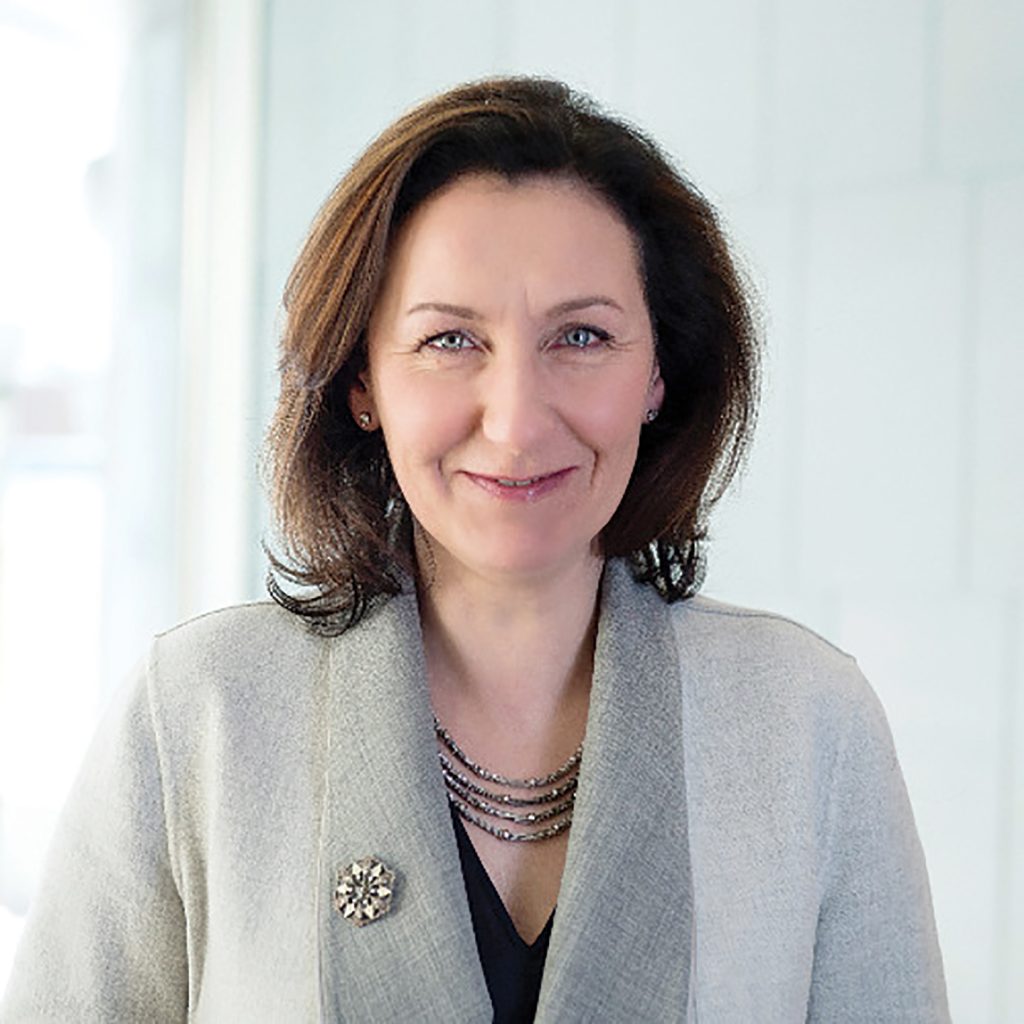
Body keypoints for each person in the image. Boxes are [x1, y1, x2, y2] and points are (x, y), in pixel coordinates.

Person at [1, 77, 949, 1022]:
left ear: (660, 372)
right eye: (451, 340)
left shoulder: (808, 721)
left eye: (582, 335)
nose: (517, 421)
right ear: (361, 381)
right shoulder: (198, 712)